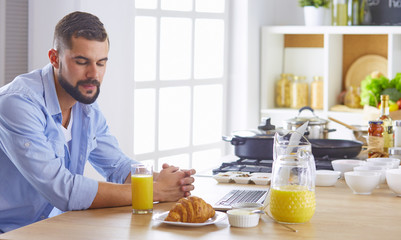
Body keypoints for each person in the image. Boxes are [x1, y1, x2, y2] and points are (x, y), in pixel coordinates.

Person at [0, 11, 196, 233]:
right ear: (55, 58)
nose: (94, 74)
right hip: (9, 232)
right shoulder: (17, 103)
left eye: (101, 63)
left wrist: (164, 180)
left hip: (51, 227)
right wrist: (155, 191)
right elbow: (63, 190)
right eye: (82, 62)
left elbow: (118, 167)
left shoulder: (85, 105)